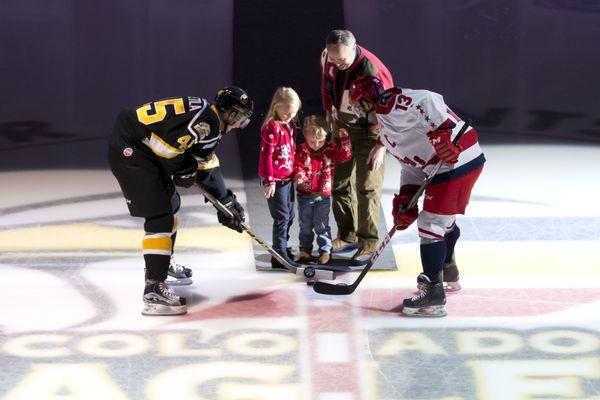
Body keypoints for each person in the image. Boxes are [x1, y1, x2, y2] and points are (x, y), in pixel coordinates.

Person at [108, 87, 254, 316]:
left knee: (171, 204)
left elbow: (204, 163)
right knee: (160, 215)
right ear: (233, 114)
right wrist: (184, 168)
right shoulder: (208, 122)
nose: (239, 125)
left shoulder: (209, 116)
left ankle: (162, 262)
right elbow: (167, 149)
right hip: (132, 148)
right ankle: (154, 288)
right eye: (241, 119)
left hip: (140, 145)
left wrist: (225, 201)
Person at [349, 76, 485, 317]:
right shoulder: (386, 131)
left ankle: (434, 297)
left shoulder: (388, 104)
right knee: (442, 222)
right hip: (453, 163)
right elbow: (411, 166)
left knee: (430, 223)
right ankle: (447, 269)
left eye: (359, 106)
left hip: (456, 160)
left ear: (368, 101)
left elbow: (429, 99)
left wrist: (442, 133)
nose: (359, 114)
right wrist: (405, 198)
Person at [320, 29, 394, 265]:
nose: (338, 64)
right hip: (342, 126)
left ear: (354, 48)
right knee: (339, 183)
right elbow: (326, 83)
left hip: (369, 132)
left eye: (342, 59)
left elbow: (389, 112)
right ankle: (346, 234)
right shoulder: (328, 57)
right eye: (334, 59)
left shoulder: (372, 72)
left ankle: (368, 243)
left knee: (366, 187)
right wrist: (328, 111)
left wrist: (381, 145)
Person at [294, 115, 352, 264]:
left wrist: (345, 140)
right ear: (305, 135)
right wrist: (300, 175)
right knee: (305, 225)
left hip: (322, 196)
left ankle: (325, 251)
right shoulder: (301, 150)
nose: (317, 144)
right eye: (312, 141)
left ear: (326, 136)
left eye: (321, 140)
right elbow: (297, 165)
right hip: (305, 196)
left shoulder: (330, 148)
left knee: (321, 225)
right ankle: (304, 251)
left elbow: (345, 156)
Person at [258, 87, 302, 269]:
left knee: (290, 215)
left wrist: (298, 170)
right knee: (282, 217)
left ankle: (283, 247)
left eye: (292, 114)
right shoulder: (272, 127)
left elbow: (292, 151)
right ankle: (278, 254)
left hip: (287, 178)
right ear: (276, 107)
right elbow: (266, 156)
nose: (289, 117)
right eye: (286, 113)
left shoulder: (290, 126)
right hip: (276, 181)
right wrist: (270, 180)